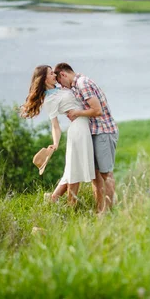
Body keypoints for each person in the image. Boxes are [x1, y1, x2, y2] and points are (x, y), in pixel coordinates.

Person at [20, 65, 95, 206]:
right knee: (74, 172)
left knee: (72, 169)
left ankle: (53, 198)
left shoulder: (61, 88)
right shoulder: (50, 99)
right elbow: (55, 125)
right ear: (44, 79)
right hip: (78, 129)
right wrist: (55, 143)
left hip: (83, 126)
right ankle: (70, 207)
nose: (55, 75)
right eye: (51, 74)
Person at [54, 63, 118, 212]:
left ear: (63, 74)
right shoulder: (77, 85)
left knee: (106, 174)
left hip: (104, 131)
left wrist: (77, 113)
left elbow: (97, 110)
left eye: (60, 81)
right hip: (94, 133)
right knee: (95, 176)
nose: (61, 86)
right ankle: (99, 210)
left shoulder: (83, 84)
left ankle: (107, 212)